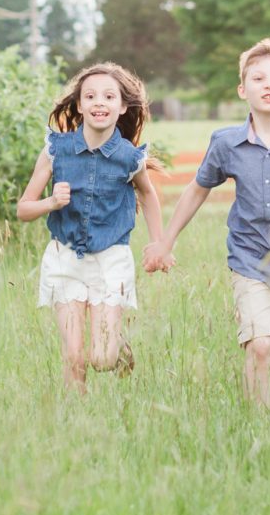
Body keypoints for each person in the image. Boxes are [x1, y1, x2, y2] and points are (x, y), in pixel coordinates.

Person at [145, 38, 270, 404]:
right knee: (259, 347)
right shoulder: (226, 143)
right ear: (243, 89)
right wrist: (166, 241)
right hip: (249, 261)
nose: (269, 84)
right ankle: (262, 428)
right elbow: (197, 189)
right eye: (258, 78)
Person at [17, 62, 172, 391]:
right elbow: (23, 209)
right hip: (64, 258)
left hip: (110, 260)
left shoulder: (130, 158)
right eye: (90, 96)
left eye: (108, 96)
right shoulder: (55, 151)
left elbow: (148, 194)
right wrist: (50, 203)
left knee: (101, 358)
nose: (99, 102)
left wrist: (160, 244)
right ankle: (76, 429)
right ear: (78, 105)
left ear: (122, 106)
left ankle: (118, 346)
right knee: (74, 357)